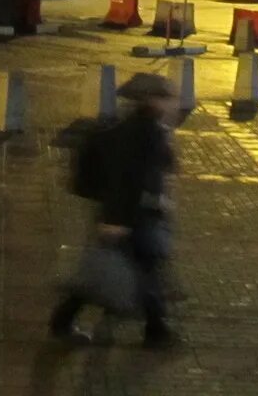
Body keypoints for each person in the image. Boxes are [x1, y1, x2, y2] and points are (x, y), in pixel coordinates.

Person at [50, 72, 179, 348]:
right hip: (131, 214)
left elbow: (160, 167)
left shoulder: (147, 128)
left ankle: (153, 327)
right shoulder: (137, 132)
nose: (171, 103)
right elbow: (127, 177)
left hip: (133, 212)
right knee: (131, 268)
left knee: (123, 267)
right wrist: (115, 219)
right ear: (149, 99)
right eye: (164, 96)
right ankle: (155, 329)